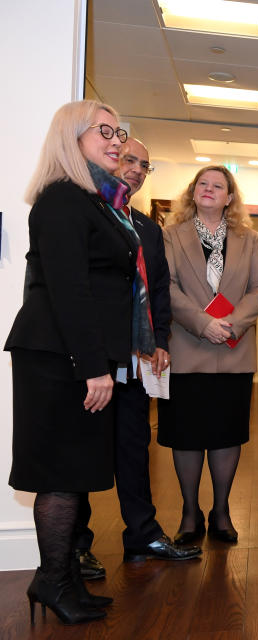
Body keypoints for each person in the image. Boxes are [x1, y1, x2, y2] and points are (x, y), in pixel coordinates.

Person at [5, 100, 136, 624]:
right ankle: (54, 581)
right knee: (59, 473)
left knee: (76, 471)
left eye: (118, 131)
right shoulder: (61, 199)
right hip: (58, 355)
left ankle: (60, 577)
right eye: (103, 131)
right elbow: (69, 291)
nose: (116, 140)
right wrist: (92, 366)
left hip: (75, 353)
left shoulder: (93, 201)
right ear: (71, 137)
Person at [71, 139, 202, 578]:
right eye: (129, 160)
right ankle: (76, 545)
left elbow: (159, 289)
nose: (137, 170)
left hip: (136, 357)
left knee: (133, 446)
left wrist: (160, 339)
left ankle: (142, 535)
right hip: (93, 357)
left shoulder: (146, 227)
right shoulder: (88, 212)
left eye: (145, 165)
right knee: (86, 451)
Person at [158, 166, 258, 545]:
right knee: (186, 436)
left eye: (217, 185)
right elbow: (166, 287)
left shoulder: (250, 239)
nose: (209, 189)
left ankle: (221, 511)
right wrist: (200, 322)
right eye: (202, 184)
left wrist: (231, 324)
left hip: (232, 350)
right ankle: (190, 513)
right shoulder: (170, 236)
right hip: (187, 350)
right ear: (193, 193)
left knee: (226, 435)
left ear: (229, 197)